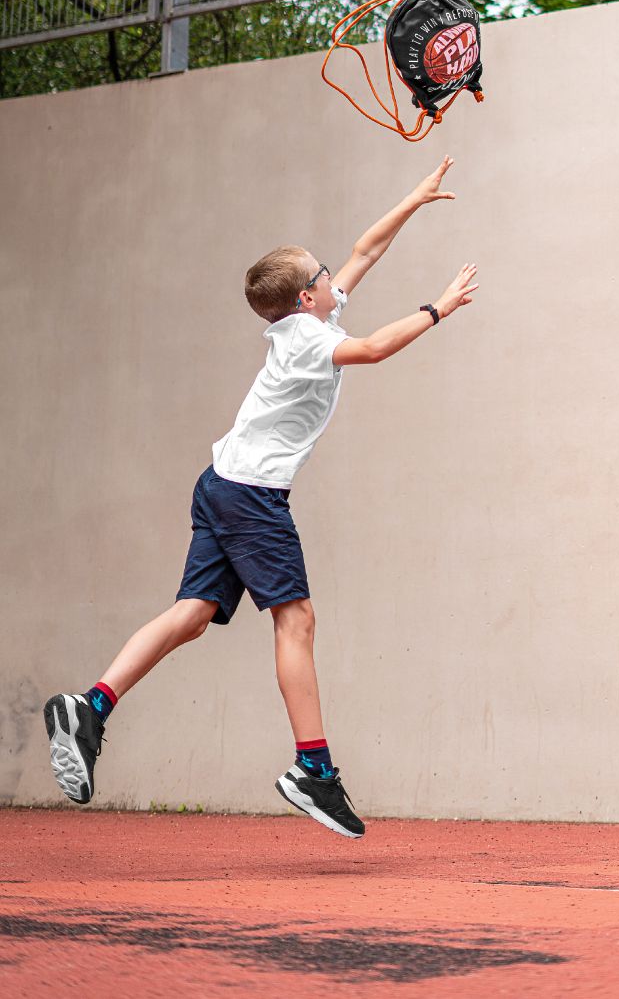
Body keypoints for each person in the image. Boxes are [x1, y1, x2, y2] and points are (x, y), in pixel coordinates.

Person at [43, 156, 477, 838]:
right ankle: (313, 769)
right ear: (307, 297)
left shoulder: (310, 320)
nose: (333, 274)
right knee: (296, 619)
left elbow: (365, 250)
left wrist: (414, 199)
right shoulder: (307, 338)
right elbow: (371, 350)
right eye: (322, 273)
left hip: (222, 483)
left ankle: (89, 707)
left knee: (192, 614)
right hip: (249, 495)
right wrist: (437, 309)